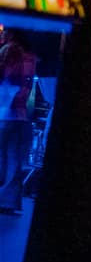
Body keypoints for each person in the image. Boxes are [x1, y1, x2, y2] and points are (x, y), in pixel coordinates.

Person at [0, 42, 32, 215]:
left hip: (3, 116)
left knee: (2, 158)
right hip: (20, 117)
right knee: (14, 160)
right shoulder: (24, 72)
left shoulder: (5, 71)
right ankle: (8, 202)